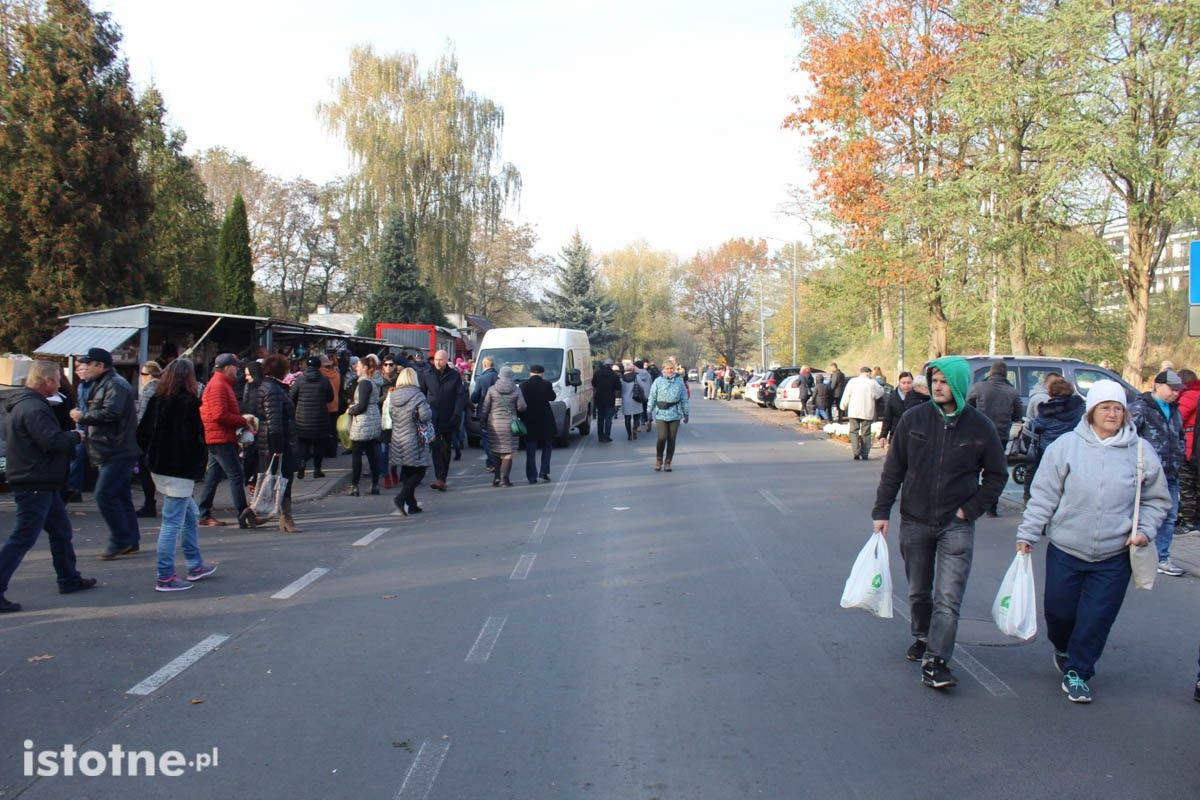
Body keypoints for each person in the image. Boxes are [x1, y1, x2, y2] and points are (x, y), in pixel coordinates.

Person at [1016, 380, 1170, 703]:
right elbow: (1044, 495)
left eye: (1118, 408)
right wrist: (1027, 533)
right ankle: (1062, 646)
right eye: (1106, 408)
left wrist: (1144, 530)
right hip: (1066, 548)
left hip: (1115, 555)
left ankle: (1079, 671)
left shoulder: (1141, 451)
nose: (1113, 414)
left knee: (1097, 617)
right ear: (1091, 412)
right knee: (1058, 613)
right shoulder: (1066, 447)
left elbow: (1158, 500)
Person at [872, 357, 1008, 690]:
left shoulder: (980, 427)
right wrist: (881, 511)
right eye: (934, 380)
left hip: (955, 524)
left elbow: (996, 476)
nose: (937, 386)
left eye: (945, 381)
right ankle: (921, 634)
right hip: (915, 520)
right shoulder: (913, 419)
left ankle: (937, 661)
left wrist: (970, 509)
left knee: (948, 596)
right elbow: (894, 470)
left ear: (959, 385)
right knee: (919, 591)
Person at [0, 361, 96, 612]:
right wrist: (75, 437)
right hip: (34, 480)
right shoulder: (34, 408)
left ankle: (69, 578)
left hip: (40, 478)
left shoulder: (27, 404)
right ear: (45, 381)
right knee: (23, 537)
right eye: (55, 380)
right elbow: (51, 441)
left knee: (61, 530)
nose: (58, 384)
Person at [136, 358, 218, 592]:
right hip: (179, 469)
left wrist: (152, 454)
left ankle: (195, 564)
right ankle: (165, 576)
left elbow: (142, 433)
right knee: (172, 523)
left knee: (189, 514)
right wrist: (198, 465)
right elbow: (192, 440)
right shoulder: (187, 403)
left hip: (160, 467)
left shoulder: (157, 399)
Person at [69, 347, 142, 560]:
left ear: (100, 366)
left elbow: (111, 412)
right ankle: (130, 539)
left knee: (104, 494)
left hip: (116, 448)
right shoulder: (101, 384)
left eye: (88, 364)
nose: (83, 369)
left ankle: (120, 539)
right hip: (109, 447)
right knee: (120, 495)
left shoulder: (115, 384)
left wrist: (83, 416)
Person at [1129, 369, 1186, 576]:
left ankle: (1162, 557)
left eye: (1178, 390)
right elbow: (1128, 437)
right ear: (1158, 385)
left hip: (1170, 473)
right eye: (1172, 389)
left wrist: (1180, 458)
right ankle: (1132, 551)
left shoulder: (1175, 410)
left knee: (1169, 516)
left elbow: (1180, 436)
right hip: (1146, 474)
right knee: (1137, 514)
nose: (1175, 394)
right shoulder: (1140, 408)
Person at [197, 354, 255, 528]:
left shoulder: (221, 384)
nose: (238, 370)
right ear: (227, 367)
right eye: (236, 366)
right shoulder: (218, 385)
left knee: (213, 476)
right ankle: (243, 514)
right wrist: (243, 420)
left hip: (220, 435)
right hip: (219, 436)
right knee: (236, 475)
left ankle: (204, 512)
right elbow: (219, 415)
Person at [250, 354, 300, 532]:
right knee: (281, 478)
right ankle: (281, 517)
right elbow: (275, 421)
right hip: (276, 441)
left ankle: (263, 514)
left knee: (274, 478)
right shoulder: (273, 389)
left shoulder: (273, 387)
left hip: (272, 440)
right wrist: (278, 446)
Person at [966, 360, 1023, 516]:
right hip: (1000, 436)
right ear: (1005, 374)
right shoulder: (1012, 392)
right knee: (994, 472)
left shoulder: (978, 388)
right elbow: (1018, 415)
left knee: (973, 468)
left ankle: (970, 504)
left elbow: (967, 407)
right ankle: (992, 507)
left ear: (990, 372)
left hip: (978, 434)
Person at [1022, 377, 1085, 504]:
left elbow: (1036, 427)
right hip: (1073, 449)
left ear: (1051, 392)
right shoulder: (1079, 407)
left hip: (1048, 450)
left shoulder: (1046, 410)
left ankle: (1033, 499)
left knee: (1045, 479)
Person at [388, 367, 433, 515]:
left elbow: (390, 414)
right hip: (414, 438)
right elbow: (425, 416)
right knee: (420, 471)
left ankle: (412, 504)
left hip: (398, 437)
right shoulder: (418, 395)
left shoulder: (393, 395)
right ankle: (401, 498)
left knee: (408, 470)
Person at [420, 350, 466, 492]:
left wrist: (457, 414)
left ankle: (443, 478)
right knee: (435, 447)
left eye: (441, 360)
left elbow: (460, 396)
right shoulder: (427, 374)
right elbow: (421, 393)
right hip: (432, 417)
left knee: (446, 448)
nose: (438, 362)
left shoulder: (454, 376)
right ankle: (439, 478)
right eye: (436, 359)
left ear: (446, 360)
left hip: (449, 416)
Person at [480, 366, 527, 487]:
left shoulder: (492, 389)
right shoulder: (516, 390)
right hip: (510, 425)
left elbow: (485, 408)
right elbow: (522, 407)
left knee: (495, 451)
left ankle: (496, 478)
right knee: (507, 453)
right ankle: (504, 479)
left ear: (500, 375)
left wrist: (483, 421)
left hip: (494, 424)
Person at [290, 356, 333, 480]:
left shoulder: (299, 380)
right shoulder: (324, 380)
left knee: (302, 442)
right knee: (319, 444)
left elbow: (292, 396)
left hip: (302, 418)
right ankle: (317, 470)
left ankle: (301, 464)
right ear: (319, 366)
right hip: (320, 418)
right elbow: (330, 398)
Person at [346, 356, 383, 496]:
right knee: (372, 454)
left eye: (359, 366)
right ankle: (375, 484)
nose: (356, 368)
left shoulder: (364, 383)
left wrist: (350, 410)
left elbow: (361, 406)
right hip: (373, 419)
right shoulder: (373, 382)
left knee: (357, 455)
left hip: (362, 422)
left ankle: (354, 486)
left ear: (365, 368)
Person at [647, 361, 689, 471]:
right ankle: (659, 459)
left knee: (671, 439)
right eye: (667, 368)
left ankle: (668, 462)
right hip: (661, 413)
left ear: (674, 369)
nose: (670, 370)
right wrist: (649, 411)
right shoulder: (658, 381)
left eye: (671, 368)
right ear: (663, 369)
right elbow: (652, 396)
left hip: (675, 414)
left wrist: (686, 413)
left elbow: (684, 398)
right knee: (662, 437)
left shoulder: (679, 382)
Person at [520, 364, 557, 483]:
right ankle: (544, 471)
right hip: (545, 420)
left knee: (531, 449)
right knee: (547, 446)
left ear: (530, 373)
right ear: (542, 374)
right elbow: (552, 397)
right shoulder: (547, 384)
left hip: (529, 420)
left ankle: (532, 476)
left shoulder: (523, 385)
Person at [134, 361, 162, 518]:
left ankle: (149, 503)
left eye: (143, 374)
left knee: (145, 471)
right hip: (159, 437)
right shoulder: (164, 388)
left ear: (149, 375)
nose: (141, 378)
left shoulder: (148, 390)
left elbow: (143, 416)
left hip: (147, 438)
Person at [840, 366, 885, 461]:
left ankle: (856, 452)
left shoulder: (852, 381)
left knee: (853, 431)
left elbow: (846, 394)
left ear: (860, 372)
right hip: (867, 411)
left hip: (854, 411)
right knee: (866, 433)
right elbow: (880, 392)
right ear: (868, 373)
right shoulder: (872, 383)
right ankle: (865, 454)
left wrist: (843, 406)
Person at [1176, 368, 1200, 537]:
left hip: (1190, 446)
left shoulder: (1190, 395)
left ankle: (1190, 522)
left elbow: (1178, 417)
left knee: (1187, 486)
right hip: (1195, 445)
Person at [879, 371, 926, 449]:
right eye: (903, 383)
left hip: (914, 435)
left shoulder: (919, 397)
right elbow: (887, 418)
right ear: (899, 383)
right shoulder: (893, 397)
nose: (906, 385)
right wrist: (883, 435)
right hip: (896, 434)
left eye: (909, 383)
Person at [471, 356, 500, 471]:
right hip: (498, 413)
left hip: (485, 413)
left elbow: (474, 398)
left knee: (486, 439)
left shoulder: (481, 379)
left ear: (484, 365)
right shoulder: (499, 377)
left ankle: (493, 461)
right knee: (497, 439)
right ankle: (491, 462)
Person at [591, 358, 620, 442]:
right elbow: (618, 387)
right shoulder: (614, 375)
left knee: (600, 418)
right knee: (608, 419)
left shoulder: (597, 373)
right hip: (610, 399)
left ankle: (600, 436)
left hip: (599, 399)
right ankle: (607, 436)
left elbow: (593, 383)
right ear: (611, 365)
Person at [620, 360, 645, 440]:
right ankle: (634, 428)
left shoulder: (621, 379)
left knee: (627, 418)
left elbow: (619, 389)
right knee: (636, 416)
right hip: (636, 399)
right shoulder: (637, 377)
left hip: (626, 400)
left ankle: (629, 434)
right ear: (632, 369)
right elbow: (642, 386)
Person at [634, 360, 653, 432]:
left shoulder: (636, 374)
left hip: (639, 394)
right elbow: (651, 383)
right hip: (648, 394)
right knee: (648, 408)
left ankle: (639, 425)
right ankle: (649, 420)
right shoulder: (647, 374)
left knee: (639, 409)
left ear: (637, 366)